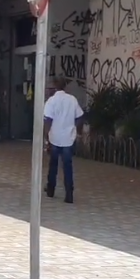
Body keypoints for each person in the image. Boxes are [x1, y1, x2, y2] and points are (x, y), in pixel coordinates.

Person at [43, 76, 83, 204]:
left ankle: (51, 189)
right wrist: (76, 131)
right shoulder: (72, 100)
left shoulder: (51, 101)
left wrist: (46, 137)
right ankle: (69, 194)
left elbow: (48, 120)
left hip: (54, 137)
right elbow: (80, 117)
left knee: (53, 164)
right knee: (67, 166)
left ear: (54, 87)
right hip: (68, 138)